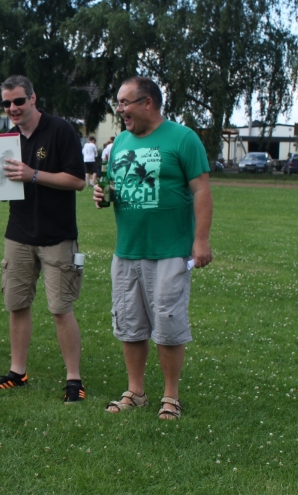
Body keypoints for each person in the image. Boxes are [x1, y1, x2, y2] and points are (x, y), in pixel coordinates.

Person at [94, 76, 212, 420]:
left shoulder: (183, 138)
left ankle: (171, 396)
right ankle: (136, 391)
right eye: (118, 102)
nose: (120, 110)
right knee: (129, 323)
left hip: (170, 250)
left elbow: (202, 190)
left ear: (148, 103)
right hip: (127, 249)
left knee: (168, 325)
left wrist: (200, 240)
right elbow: (115, 185)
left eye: (125, 102)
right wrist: (103, 195)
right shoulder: (120, 143)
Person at [0, 75, 87, 402]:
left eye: (19, 101)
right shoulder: (6, 140)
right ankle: (17, 372)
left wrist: (33, 174)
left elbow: (77, 180)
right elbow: (2, 191)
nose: (13, 108)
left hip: (57, 236)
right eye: (7, 103)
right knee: (17, 305)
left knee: (60, 308)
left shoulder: (60, 130)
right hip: (18, 234)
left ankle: (74, 380)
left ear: (33, 98)